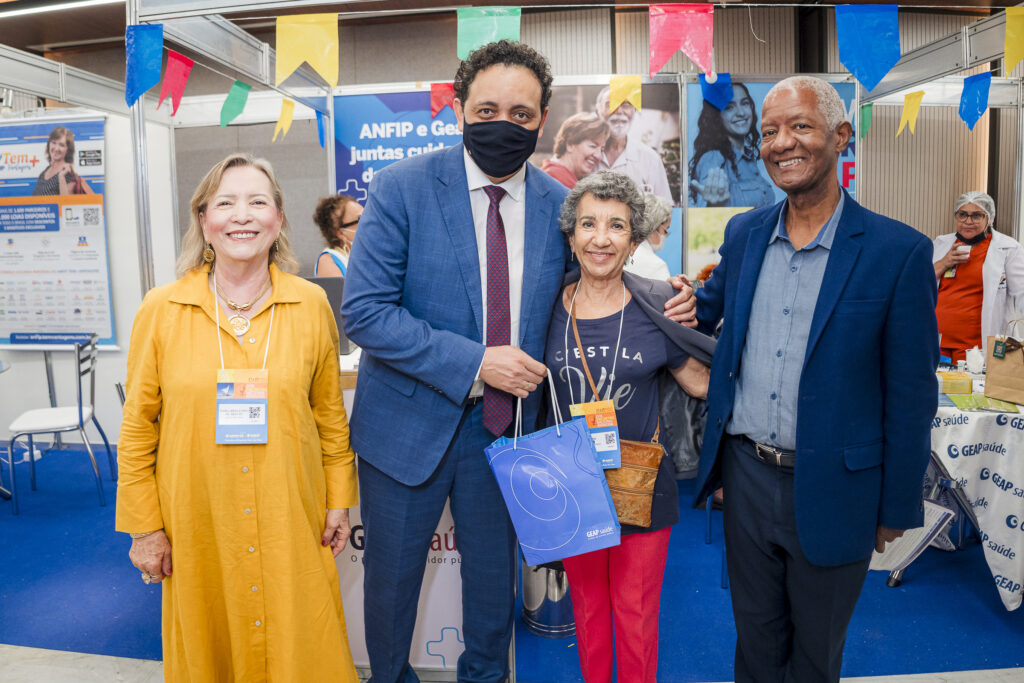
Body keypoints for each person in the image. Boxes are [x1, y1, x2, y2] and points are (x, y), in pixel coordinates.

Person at [692, 76, 938, 682]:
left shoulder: (897, 251)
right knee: (754, 644)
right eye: (770, 131)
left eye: (799, 126)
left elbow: (911, 396)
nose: (781, 143)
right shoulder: (745, 234)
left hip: (837, 486)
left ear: (841, 136)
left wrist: (894, 505)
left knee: (815, 655)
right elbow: (702, 311)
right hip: (746, 478)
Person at [116, 153, 359, 682]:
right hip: (198, 523)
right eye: (225, 202)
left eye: (257, 201)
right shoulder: (162, 310)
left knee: (303, 645)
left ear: (278, 218)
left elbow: (329, 416)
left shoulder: (311, 305)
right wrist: (144, 528)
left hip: (289, 517)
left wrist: (340, 500)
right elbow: (137, 427)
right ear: (203, 219)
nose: (241, 215)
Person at [548, 170, 714, 683]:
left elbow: (702, 384)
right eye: (588, 224)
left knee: (636, 615)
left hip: (643, 484)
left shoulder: (659, 305)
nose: (601, 238)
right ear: (571, 235)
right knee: (590, 613)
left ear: (634, 238)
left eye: (616, 226)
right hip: (572, 485)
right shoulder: (545, 306)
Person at [932, 191, 1024, 360]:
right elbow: (918, 283)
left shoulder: (1008, 248)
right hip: (937, 340)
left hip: (975, 347)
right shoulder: (941, 244)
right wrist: (944, 262)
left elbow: (1022, 293)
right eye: (963, 214)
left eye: (976, 215)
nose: (968, 221)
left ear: (989, 219)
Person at [689, 82, 774, 208]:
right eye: (729, 107)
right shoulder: (713, 159)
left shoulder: (748, 158)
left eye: (744, 103)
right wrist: (714, 205)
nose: (741, 113)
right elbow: (706, 217)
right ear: (717, 116)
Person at [594, 87, 673, 203]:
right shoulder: (587, 157)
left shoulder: (650, 159)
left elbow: (666, 212)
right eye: (610, 104)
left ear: (634, 111)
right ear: (598, 112)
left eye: (626, 105)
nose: (619, 111)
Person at [541, 112, 610, 189]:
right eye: (593, 146)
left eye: (601, 149)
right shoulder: (557, 182)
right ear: (570, 144)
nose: (599, 156)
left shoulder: (554, 175)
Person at [32, 126, 92, 196]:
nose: (56, 148)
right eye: (54, 143)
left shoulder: (68, 175)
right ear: (49, 144)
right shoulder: (44, 172)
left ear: (68, 150)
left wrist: (61, 177)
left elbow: (66, 204)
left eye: (62, 145)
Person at [313, 193, 363, 277]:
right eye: (360, 219)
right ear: (340, 233)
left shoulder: (366, 255)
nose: (368, 222)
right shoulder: (327, 261)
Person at [625, 192, 672, 280]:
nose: (665, 235)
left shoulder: (620, 253)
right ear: (654, 227)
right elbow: (667, 293)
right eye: (665, 230)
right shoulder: (656, 266)